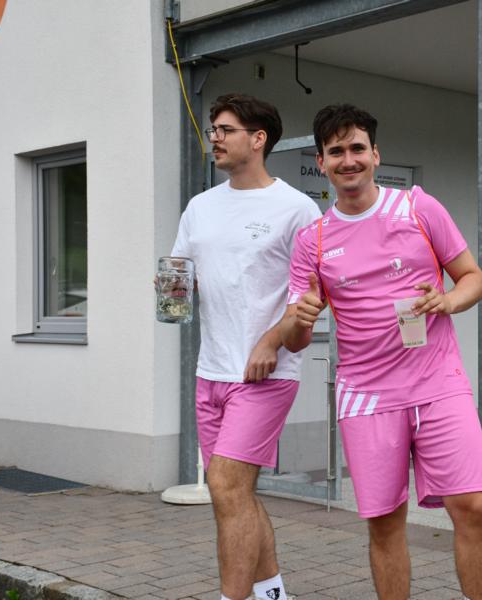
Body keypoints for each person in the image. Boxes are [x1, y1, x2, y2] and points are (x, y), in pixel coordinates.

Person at [278, 104, 482, 600]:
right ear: (321, 161)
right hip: (367, 396)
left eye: (357, 148)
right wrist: (299, 319)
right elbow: (294, 337)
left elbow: (474, 278)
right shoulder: (313, 240)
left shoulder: (419, 208)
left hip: (438, 383)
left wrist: (448, 301)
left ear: (375, 154)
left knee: (473, 506)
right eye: (336, 151)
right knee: (384, 522)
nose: (348, 160)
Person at [169, 93, 321, 600]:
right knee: (232, 495)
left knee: (227, 486)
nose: (214, 138)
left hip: (265, 372)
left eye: (225, 130)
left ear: (258, 139)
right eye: (213, 129)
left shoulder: (296, 209)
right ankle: (273, 593)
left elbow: (310, 297)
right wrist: (172, 291)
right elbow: (181, 275)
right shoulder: (200, 207)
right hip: (210, 369)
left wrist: (271, 340)